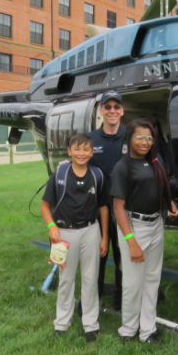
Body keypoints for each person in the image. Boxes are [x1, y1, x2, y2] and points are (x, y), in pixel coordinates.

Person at [111, 119, 178, 345]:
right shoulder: (123, 166)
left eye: (149, 138)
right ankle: (128, 330)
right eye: (139, 137)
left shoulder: (154, 163)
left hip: (156, 224)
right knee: (132, 282)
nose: (144, 142)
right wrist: (131, 241)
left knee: (152, 279)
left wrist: (169, 205)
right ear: (129, 138)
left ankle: (147, 330)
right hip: (134, 227)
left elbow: (155, 190)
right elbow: (118, 207)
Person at [42, 132, 109, 341]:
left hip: (90, 230)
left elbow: (104, 208)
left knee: (90, 278)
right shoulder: (60, 173)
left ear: (92, 152)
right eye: (77, 149)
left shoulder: (97, 175)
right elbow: (45, 206)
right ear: (70, 151)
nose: (81, 153)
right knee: (66, 279)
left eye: (86, 149)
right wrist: (51, 226)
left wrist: (104, 237)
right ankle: (61, 323)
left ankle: (91, 324)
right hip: (63, 233)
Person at [91, 91, 128, 312]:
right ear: (101, 111)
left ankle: (121, 300)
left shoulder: (132, 136)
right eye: (108, 107)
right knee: (98, 256)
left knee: (123, 255)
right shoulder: (91, 139)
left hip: (124, 207)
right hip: (98, 208)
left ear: (122, 111)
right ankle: (90, 300)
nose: (112, 110)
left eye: (116, 107)